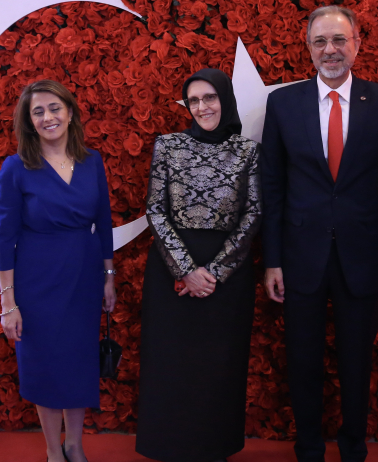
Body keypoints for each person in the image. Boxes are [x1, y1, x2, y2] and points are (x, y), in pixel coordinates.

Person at [260, 6, 378, 462]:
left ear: (357, 44)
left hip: (364, 257)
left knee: (357, 362)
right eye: (320, 41)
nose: (330, 50)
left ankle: (353, 449)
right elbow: (272, 187)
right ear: (308, 48)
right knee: (302, 361)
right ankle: (308, 450)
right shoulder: (283, 104)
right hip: (299, 258)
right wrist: (272, 260)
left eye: (339, 40)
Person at [136, 68, 261, 462]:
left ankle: (213, 448)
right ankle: (168, 447)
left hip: (229, 273)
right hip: (171, 268)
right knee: (171, 361)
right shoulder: (168, 145)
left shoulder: (248, 151)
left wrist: (216, 272)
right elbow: (156, 210)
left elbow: (254, 213)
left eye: (210, 97)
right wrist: (186, 269)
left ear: (225, 99)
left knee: (218, 364)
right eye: (194, 100)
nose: (202, 107)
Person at [0, 80, 116, 462]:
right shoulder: (16, 168)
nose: (48, 117)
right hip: (37, 283)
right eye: (38, 111)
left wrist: (108, 277)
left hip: (84, 279)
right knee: (44, 364)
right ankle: (52, 451)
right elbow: (5, 238)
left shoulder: (92, 161)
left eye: (54, 108)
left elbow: (104, 222)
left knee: (78, 361)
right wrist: (9, 302)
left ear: (70, 112)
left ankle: (75, 445)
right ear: (29, 121)